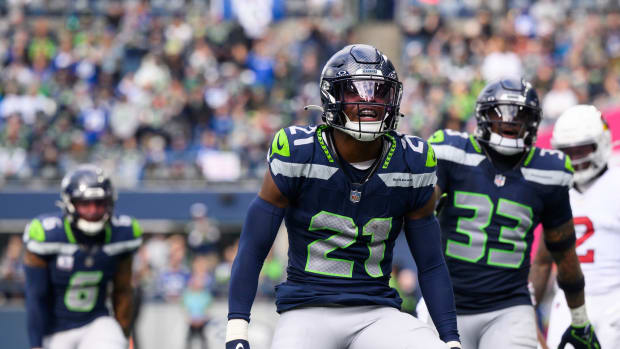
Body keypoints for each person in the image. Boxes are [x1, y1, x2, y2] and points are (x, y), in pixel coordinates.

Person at [226, 44, 461, 349]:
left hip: (377, 312)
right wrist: (236, 329)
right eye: (357, 92)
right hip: (306, 311)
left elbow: (430, 263)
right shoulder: (298, 152)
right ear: (332, 97)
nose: (369, 102)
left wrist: (451, 339)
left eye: (379, 93)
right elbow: (253, 248)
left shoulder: (412, 161)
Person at [420, 78, 600, 349]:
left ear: (534, 122)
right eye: (499, 112)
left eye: (521, 115)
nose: (510, 122)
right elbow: (420, 209)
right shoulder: (452, 151)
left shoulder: (549, 171)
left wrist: (579, 319)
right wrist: (428, 199)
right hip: (444, 302)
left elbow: (563, 252)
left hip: (508, 307)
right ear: (482, 116)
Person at [23, 164, 143, 349]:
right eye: (84, 204)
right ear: (69, 203)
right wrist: (35, 344)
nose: (93, 211)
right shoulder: (47, 234)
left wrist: (124, 334)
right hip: (54, 330)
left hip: (96, 322)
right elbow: (36, 296)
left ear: (110, 203)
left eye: (99, 203)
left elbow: (123, 290)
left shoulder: (123, 232)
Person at [530, 104, 618, 349]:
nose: (576, 158)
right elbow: (543, 261)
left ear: (601, 142)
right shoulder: (558, 191)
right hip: (568, 303)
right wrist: (527, 311)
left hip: (614, 297)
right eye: (569, 151)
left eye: (582, 149)